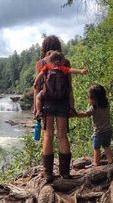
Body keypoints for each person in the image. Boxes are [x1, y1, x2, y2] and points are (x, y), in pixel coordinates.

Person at [33, 35, 77, 182]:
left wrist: (36, 107)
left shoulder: (41, 63)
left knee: (48, 135)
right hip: (63, 103)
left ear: (44, 47)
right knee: (63, 136)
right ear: (59, 46)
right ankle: (65, 174)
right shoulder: (66, 62)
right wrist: (72, 106)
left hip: (46, 103)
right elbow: (69, 88)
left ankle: (48, 174)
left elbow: (36, 86)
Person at [34, 51, 88, 119]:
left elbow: (40, 75)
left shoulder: (47, 67)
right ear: (60, 61)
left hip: (47, 93)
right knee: (69, 93)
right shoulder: (62, 68)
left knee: (38, 97)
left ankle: (38, 111)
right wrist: (81, 71)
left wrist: (35, 82)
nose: (64, 62)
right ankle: (71, 109)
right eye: (63, 60)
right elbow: (71, 70)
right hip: (60, 94)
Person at [76, 84, 113, 167]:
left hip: (99, 132)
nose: (88, 99)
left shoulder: (94, 108)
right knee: (107, 146)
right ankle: (110, 162)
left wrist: (75, 114)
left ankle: (96, 163)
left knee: (96, 148)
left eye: (89, 97)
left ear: (94, 99)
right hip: (108, 130)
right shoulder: (106, 105)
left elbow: (85, 114)